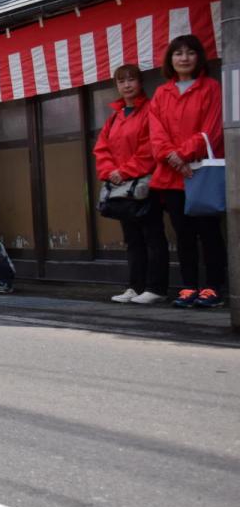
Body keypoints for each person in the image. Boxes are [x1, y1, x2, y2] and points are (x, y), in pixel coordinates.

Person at [148, 34, 226, 308]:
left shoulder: (211, 88)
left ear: (199, 57)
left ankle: (214, 288)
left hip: (201, 172)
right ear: (170, 59)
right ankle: (189, 286)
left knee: (210, 233)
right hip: (172, 177)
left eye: (190, 52)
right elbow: (156, 134)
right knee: (183, 235)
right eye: (178, 53)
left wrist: (181, 155)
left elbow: (213, 129)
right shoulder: (161, 93)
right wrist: (174, 158)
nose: (184, 58)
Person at [93, 63, 167, 305]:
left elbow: (151, 147)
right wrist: (110, 171)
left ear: (140, 82)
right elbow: (102, 148)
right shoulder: (115, 116)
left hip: (146, 184)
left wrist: (123, 171)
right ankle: (135, 286)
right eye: (121, 81)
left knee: (152, 235)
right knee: (132, 238)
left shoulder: (150, 109)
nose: (126, 85)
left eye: (131, 79)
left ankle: (156, 288)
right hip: (122, 187)